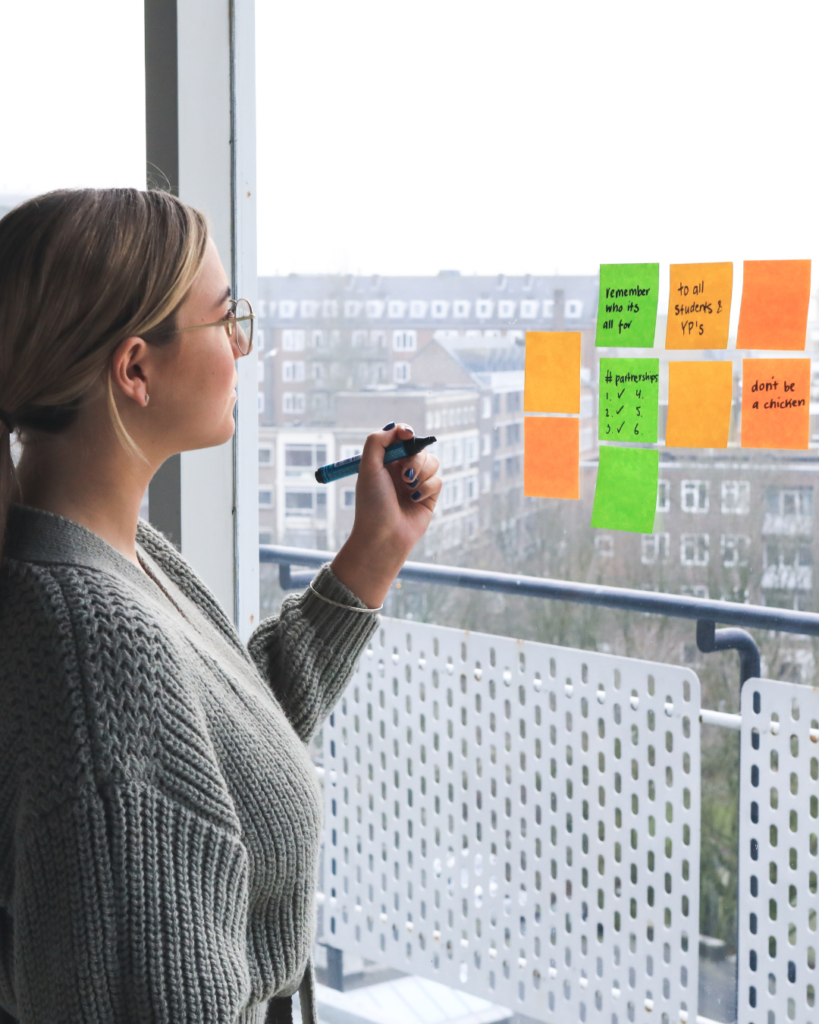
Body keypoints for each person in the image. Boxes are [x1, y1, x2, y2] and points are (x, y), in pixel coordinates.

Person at [0, 188, 441, 1024]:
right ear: (135, 369)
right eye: (225, 317)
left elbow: (220, 756)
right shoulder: (95, 639)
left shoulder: (111, 556)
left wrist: (371, 556)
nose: (243, 343)